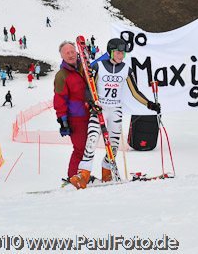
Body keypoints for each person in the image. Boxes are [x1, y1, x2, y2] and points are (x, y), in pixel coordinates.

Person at [70, 38, 161, 189]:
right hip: (100, 109)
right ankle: (83, 174)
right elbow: (88, 88)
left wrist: (149, 104)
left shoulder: (126, 69)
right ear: (110, 52)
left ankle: (107, 173)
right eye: (118, 52)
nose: (121, 55)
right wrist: (93, 103)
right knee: (92, 140)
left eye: (123, 53)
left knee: (113, 145)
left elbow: (135, 92)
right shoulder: (98, 66)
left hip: (116, 110)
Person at [54, 41, 90, 182]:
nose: (71, 55)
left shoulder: (86, 68)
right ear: (62, 56)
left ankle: (84, 174)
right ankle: (73, 177)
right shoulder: (62, 75)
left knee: (89, 148)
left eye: (72, 51)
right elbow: (59, 99)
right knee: (80, 149)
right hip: (76, 118)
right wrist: (63, 121)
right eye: (67, 53)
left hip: (92, 113)